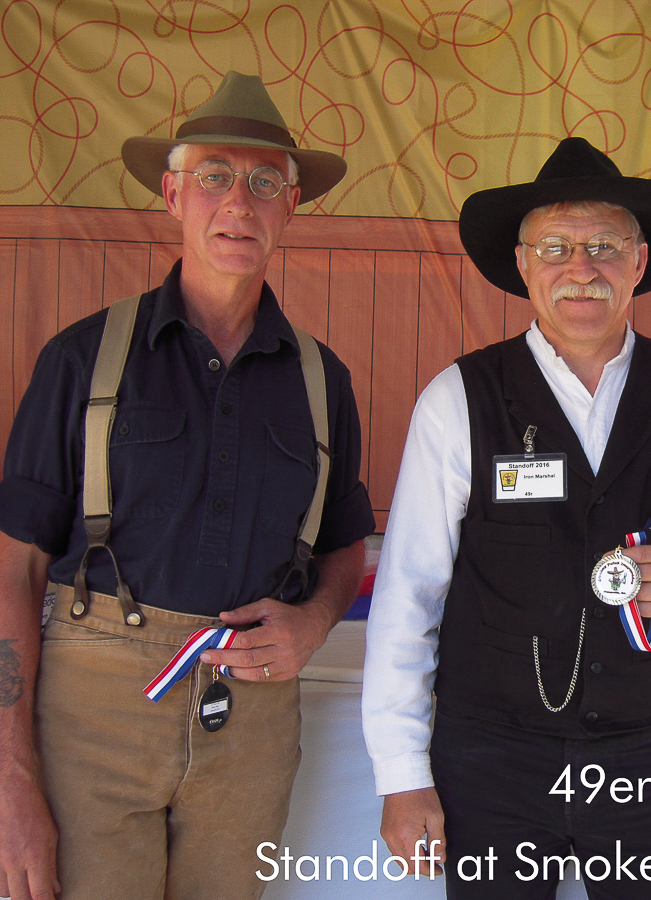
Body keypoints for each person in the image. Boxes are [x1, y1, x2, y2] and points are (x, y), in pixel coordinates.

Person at [362, 136, 651, 898]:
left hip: (646, 756)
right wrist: (400, 772)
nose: (581, 268)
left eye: (604, 246)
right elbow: (409, 595)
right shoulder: (458, 400)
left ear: (639, 261)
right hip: (490, 758)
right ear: (523, 265)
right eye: (556, 247)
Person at [0, 71, 375, 900]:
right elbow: (14, 567)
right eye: (213, 175)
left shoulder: (323, 380)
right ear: (173, 195)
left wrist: (313, 623)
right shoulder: (81, 358)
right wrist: (10, 777)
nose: (238, 202)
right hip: (91, 717)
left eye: (264, 181)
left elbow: (344, 545)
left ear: (291, 204)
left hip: (253, 719)